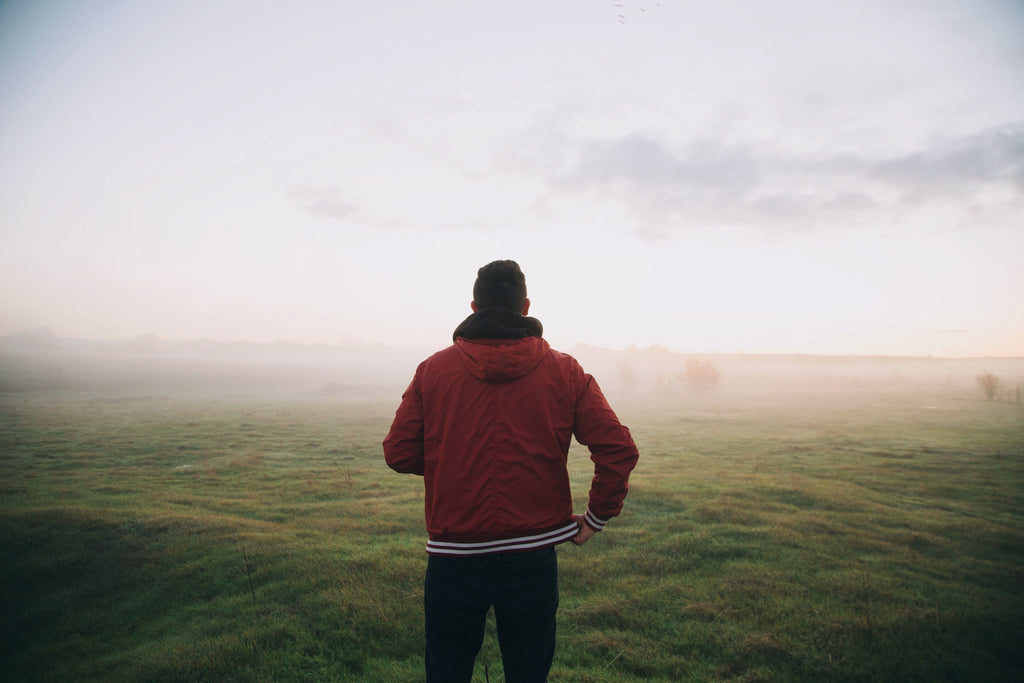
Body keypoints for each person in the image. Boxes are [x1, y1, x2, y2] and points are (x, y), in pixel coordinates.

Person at [383, 259, 639, 683]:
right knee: (528, 673)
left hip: (454, 555)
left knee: (446, 672)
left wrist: (451, 463)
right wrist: (595, 519)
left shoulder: (433, 370)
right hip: (533, 556)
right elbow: (617, 447)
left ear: (473, 306)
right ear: (526, 306)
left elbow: (398, 452)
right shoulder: (566, 369)